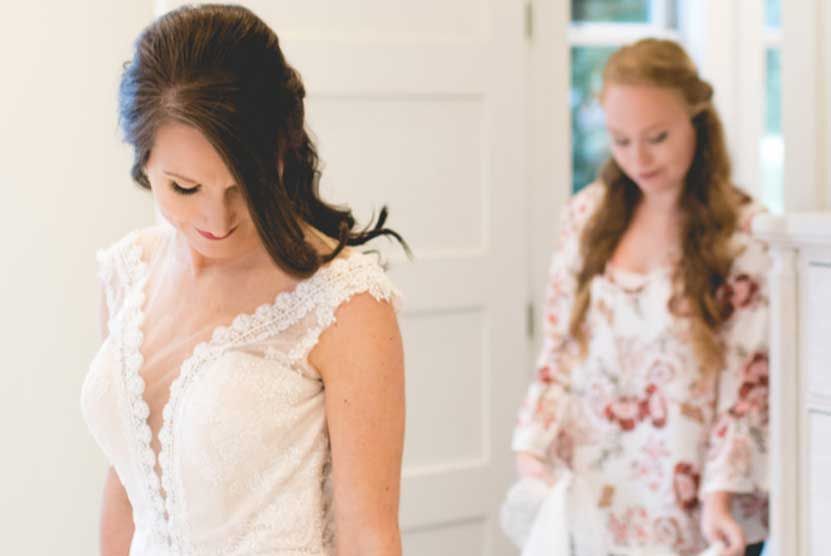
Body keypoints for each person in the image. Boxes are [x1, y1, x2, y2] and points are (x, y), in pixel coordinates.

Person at [80, 5, 406, 555]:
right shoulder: (126, 273)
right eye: (184, 188)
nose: (216, 221)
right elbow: (127, 485)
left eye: (243, 188)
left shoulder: (345, 303)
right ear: (144, 161)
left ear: (284, 149)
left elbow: (368, 534)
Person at [512, 39, 769, 556]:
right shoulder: (586, 217)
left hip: (692, 496)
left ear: (697, 119)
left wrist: (720, 497)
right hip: (593, 488)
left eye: (657, 137)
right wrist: (533, 446)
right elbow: (561, 346)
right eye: (620, 140)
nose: (639, 158)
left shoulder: (744, 234)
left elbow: (747, 383)